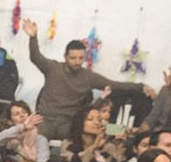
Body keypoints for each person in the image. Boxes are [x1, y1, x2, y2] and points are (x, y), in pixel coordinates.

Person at [21, 19, 150, 141]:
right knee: (32, 140)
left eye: (80, 58)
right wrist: (33, 37)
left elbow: (113, 85)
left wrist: (140, 86)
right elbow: (36, 57)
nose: (77, 62)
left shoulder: (88, 77)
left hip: (68, 124)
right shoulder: (53, 68)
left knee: (93, 133)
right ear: (65, 56)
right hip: (44, 120)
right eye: (73, 58)